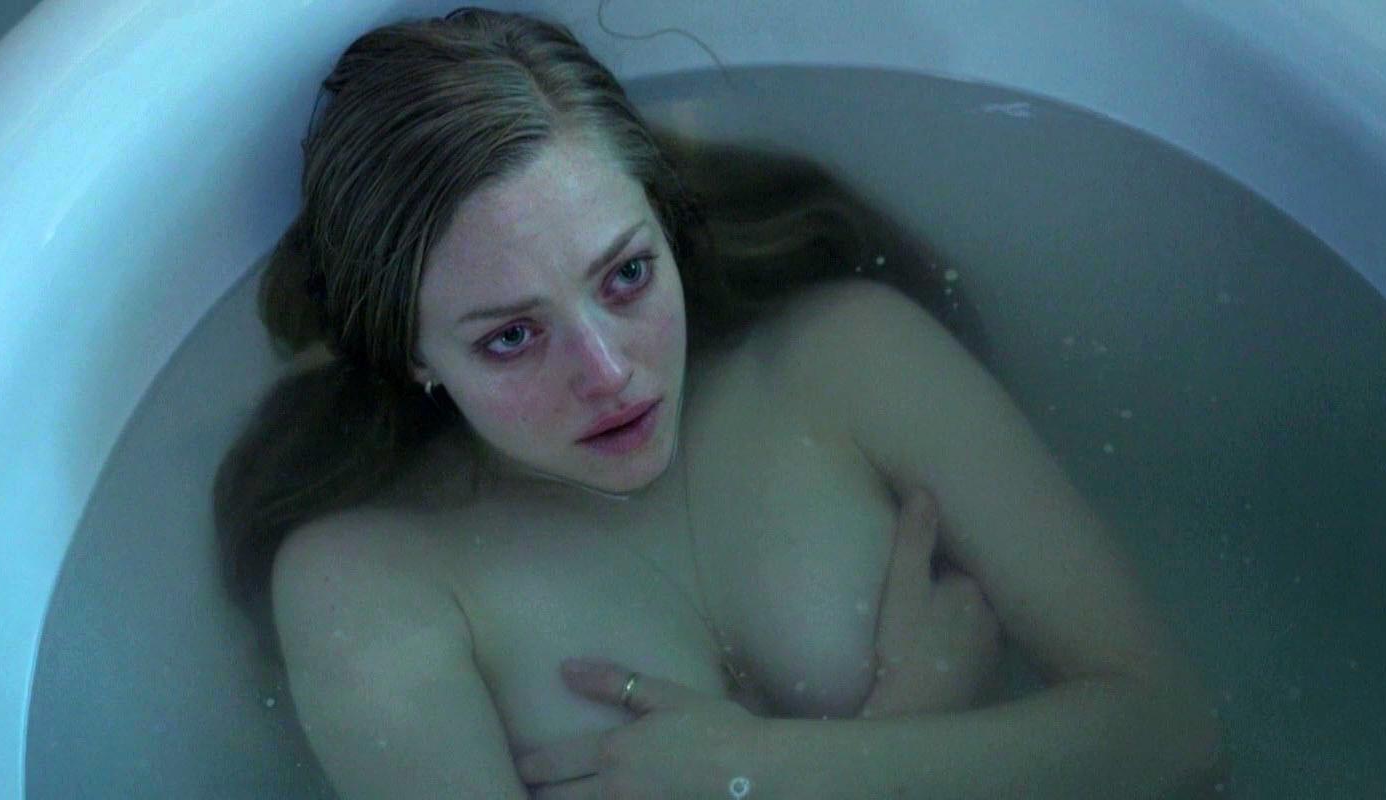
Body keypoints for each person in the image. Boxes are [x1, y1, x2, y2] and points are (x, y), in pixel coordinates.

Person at [215, 7, 1219, 798]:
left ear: (663, 220)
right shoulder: (368, 583)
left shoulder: (849, 359)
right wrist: (910, 726)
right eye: (511, 336)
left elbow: (1171, 732)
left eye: (625, 275)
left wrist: (770, 771)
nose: (608, 371)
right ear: (413, 357)